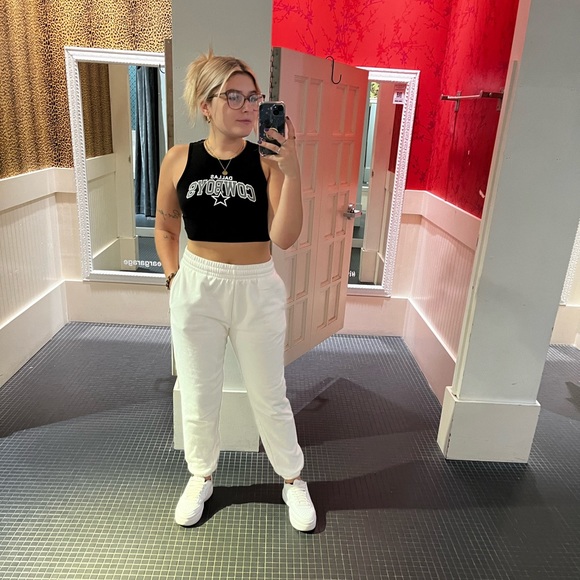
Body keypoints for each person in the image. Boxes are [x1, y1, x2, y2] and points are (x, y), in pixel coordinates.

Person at [154, 50, 316, 533]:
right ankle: (201, 475)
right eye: (235, 97)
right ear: (206, 105)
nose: (249, 107)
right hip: (197, 285)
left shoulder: (266, 162)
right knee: (198, 391)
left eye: (254, 97)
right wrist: (174, 278)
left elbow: (285, 237)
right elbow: (165, 226)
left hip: (255, 288)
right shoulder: (178, 158)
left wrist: (292, 170)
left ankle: (293, 479)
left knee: (269, 394)